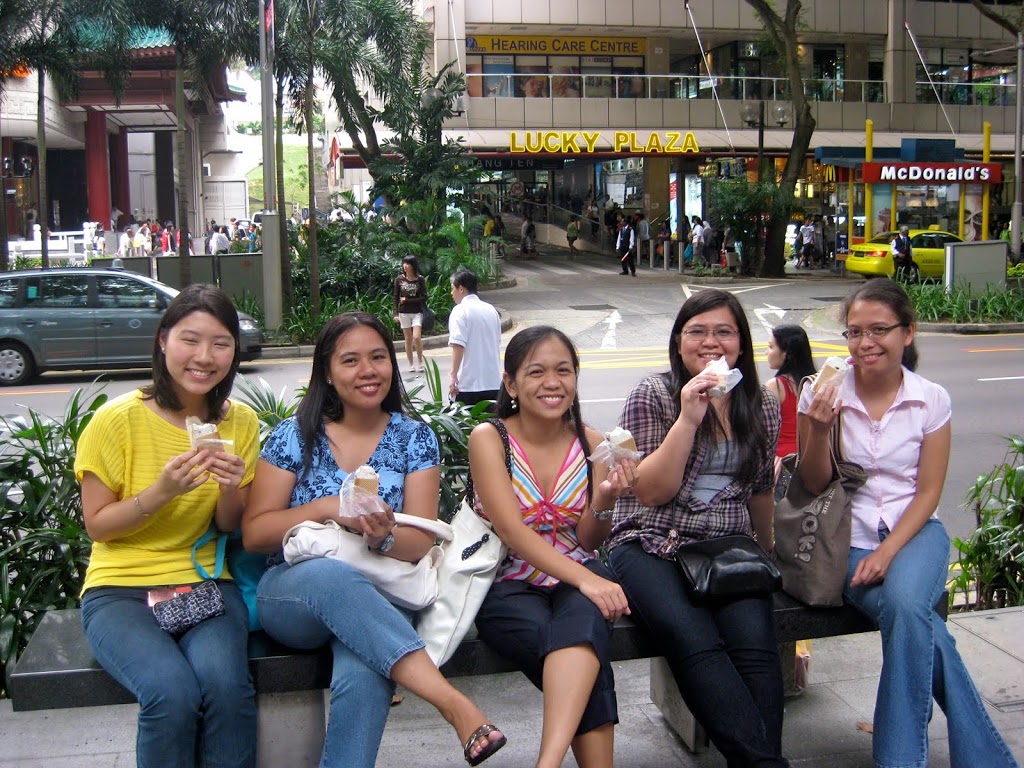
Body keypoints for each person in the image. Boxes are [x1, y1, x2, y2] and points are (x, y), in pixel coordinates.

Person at [242, 312, 507, 768]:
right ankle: (453, 705)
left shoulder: (414, 437)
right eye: (350, 360)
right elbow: (255, 534)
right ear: (327, 371)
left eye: (378, 357)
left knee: (365, 673)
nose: (368, 371)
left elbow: (418, 543)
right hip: (294, 595)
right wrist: (327, 509)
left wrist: (383, 537)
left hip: (383, 588)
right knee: (331, 576)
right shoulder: (294, 435)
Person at [796, 279, 1018, 768]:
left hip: (915, 533)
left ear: (908, 332)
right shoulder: (821, 392)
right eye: (855, 332)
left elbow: (928, 492)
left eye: (879, 330)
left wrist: (887, 551)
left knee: (903, 603)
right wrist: (818, 427)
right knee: (915, 618)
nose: (865, 343)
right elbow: (812, 483)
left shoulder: (930, 399)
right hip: (844, 540)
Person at [76, 284, 259, 768]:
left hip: (203, 583)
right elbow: (98, 526)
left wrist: (230, 488)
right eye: (190, 340)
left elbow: (229, 524)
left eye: (220, 343)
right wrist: (161, 492)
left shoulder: (239, 423)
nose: (204, 357)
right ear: (163, 341)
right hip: (120, 591)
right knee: (170, 692)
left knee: (226, 687)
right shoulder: (115, 420)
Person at [606, 289, 788, 767]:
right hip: (650, 541)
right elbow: (650, 493)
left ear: (741, 344)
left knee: (756, 648)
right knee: (694, 640)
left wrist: (766, 550)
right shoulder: (653, 394)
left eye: (724, 331)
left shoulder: (762, 405)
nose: (711, 342)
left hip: (727, 545)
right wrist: (688, 418)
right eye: (697, 332)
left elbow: (759, 490)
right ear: (679, 342)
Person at [469, 325, 636, 768]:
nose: (552, 382)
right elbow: (511, 532)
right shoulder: (489, 438)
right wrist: (589, 581)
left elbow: (588, 540)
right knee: (584, 653)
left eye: (563, 370)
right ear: (511, 384)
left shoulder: (593, 443)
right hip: (507, 582)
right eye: (536, 371)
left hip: (576, 577)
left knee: (580, 634)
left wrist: (604, 500)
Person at [764, 325, 816, 500]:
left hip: (783, 464)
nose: (767, 352)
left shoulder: (776, 386)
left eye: (771, 347)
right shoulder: (814, 383)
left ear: (786, 353)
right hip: (810, 460)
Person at [448, 268, 502, 407]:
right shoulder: (491, 310)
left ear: (461, 289)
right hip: (493, 383)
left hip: (468, 385)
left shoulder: (459, 310)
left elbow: (458, 346)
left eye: (452, 288)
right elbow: (496, 342)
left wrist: (453, 376)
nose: (451, 293)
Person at [392, 256, 427, 373]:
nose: (405, 266)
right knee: (408, 339)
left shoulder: (420, 279)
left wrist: (408, 300)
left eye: (408, 263)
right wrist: (395, 313)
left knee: (416, 337)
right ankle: (411, 364)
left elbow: (424, 297)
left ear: (413, 265)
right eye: (404, 263)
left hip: (417, 312)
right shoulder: (399, 279)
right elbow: (395, 297)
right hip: (404, 313)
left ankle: (420, 362)